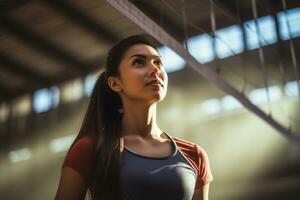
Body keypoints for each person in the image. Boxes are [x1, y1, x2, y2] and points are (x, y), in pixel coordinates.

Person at [55, 34, 213, 200]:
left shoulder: (195, 155)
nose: (155, 70)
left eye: (158, 62)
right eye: (139, 62)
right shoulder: (90, 149)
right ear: (115, 83)